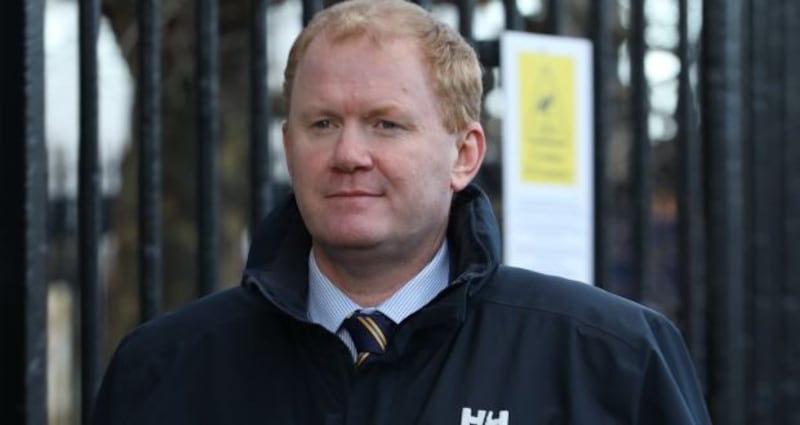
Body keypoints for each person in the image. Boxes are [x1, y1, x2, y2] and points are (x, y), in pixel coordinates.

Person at [93, 0, 712, 423]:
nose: (349, 154)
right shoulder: (164, 370)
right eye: (323, 123)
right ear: (288, 146)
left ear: (463, 155)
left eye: (386, 124)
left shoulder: (609, 358)